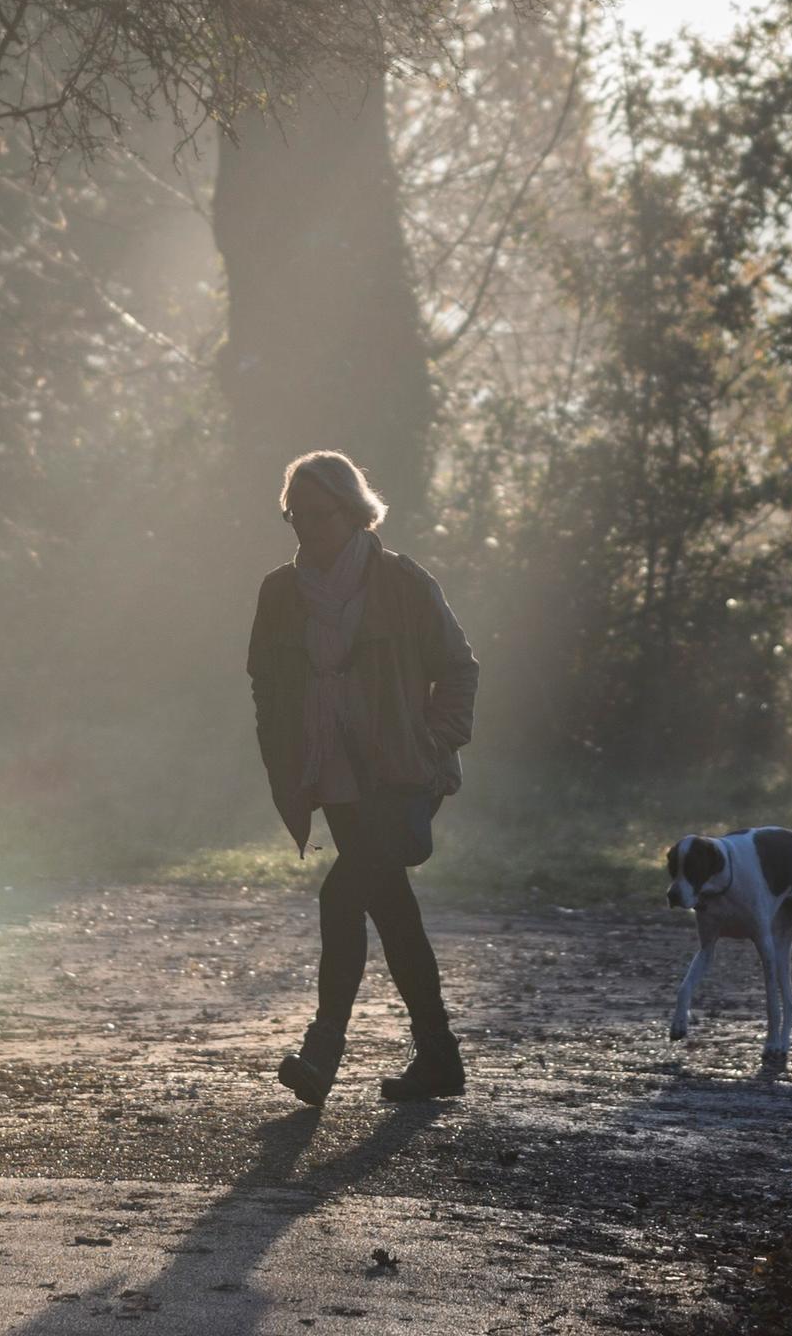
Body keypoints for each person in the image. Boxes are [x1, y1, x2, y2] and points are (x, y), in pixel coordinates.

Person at [247, 449, 480, 1105]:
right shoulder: (280, 593)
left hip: (401, 775)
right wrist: (285, 764)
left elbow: (460, 668)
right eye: (294, 517)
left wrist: (432, 744)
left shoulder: (401, 582)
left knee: (342, 896)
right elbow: (267, 687)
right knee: (391, 909)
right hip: (334, 778)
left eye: (317, 517)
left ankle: (323, 1053)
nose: (305, 531)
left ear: (351, 512)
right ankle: (439, 1056)